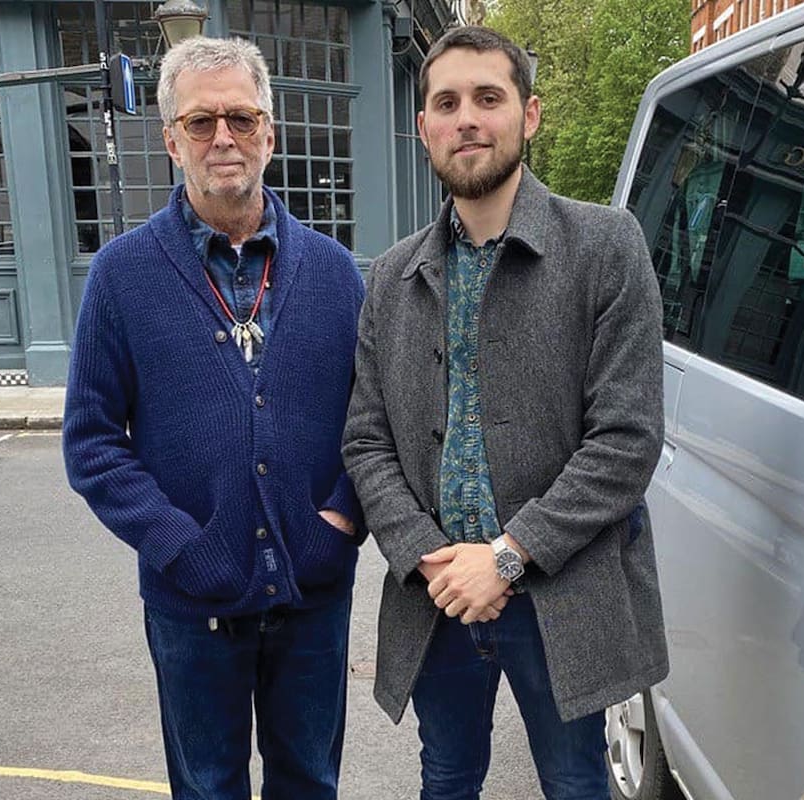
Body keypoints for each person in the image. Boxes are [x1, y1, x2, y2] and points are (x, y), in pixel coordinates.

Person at [342, 25, 668, 800]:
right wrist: (430, 555)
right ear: (423, 127)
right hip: (440, 594)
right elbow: (365, 440)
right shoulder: (390, 278)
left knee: (574, 783)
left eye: (488, 98)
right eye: (446, 103)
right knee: (447, 779)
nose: (467, 119)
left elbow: (626, 441)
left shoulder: (605, 247)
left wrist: (509, 556)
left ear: (530, 114)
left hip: (563, 591)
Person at [62, 36, 364, 800]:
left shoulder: (334, 273)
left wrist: (341, 524)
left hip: (313, 598)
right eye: (200, 123)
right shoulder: (121, 276)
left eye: (240, 117)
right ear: (170, 141)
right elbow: (92, 443)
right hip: (191, 607)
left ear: (270, 132)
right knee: (206, 788)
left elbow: (379, 422)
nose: (222, 137)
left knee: (310, 783)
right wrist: (181, 548)